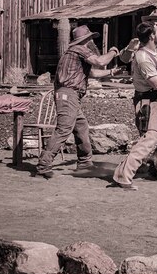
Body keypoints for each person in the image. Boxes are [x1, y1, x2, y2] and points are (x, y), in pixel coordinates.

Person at [35, 25, 121, 179]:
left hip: (70, 95)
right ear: (86, 40)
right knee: (64, 129)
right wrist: (113, 52)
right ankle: (44, 164)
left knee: (81, 127)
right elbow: (100, 61)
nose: (93, 42)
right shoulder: (80, 49)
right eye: (91, 39)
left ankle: (85, 163)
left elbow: (92, 72)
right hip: (69, 94)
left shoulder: (73, 53)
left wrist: (111, 72)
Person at [111, 21, 157, 190]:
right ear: (152, 35)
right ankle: (124, 175)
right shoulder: (142, 57)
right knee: (149, 139)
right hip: (147, 100)